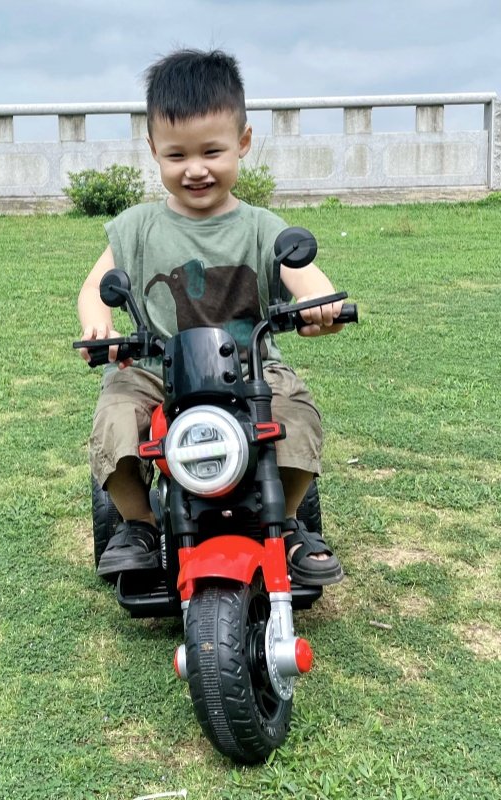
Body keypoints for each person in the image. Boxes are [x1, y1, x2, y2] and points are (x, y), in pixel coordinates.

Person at [77, 48, 345, 586]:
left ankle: (287, 520)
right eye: (177, 156)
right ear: (153, 150)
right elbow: (95, 285)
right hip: (155, 369)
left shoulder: (263, 226)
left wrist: (322, 305)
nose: (195, 169)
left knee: (294, 414)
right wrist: (99, 325)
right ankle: (138, 523)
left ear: (243, 143)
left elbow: (305, 274)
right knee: (114, 416)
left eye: (212, 151)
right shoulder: (135, 228)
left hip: (251, 370)